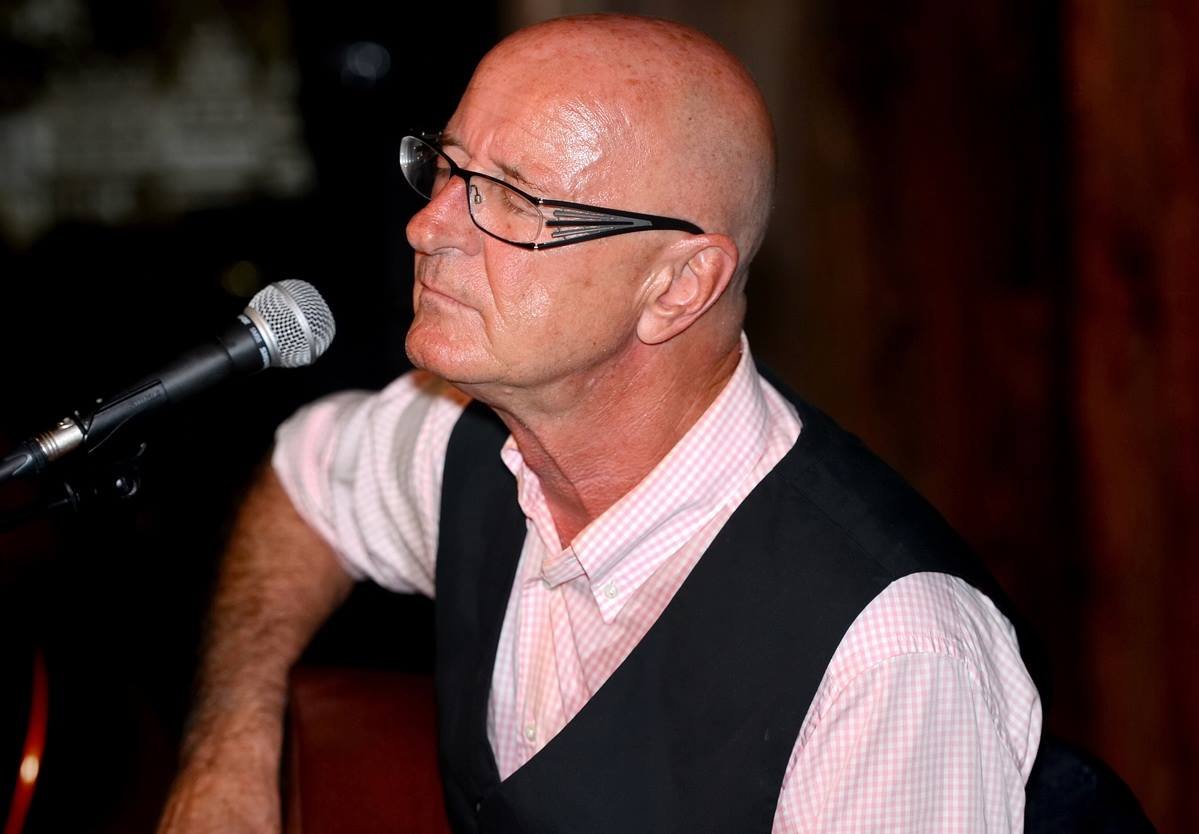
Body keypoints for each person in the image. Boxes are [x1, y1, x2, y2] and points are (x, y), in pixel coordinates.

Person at [157, 13, 1041, 834]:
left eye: (514, 198)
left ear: (677, 287)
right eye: (448, 168)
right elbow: (305, 483)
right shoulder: (460, 440)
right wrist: (230, 748)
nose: (428, 226)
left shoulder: (889, 652)